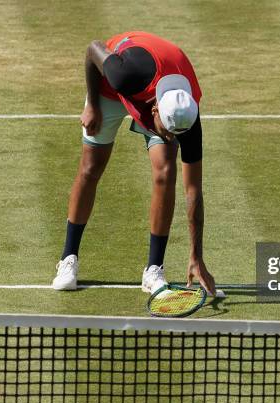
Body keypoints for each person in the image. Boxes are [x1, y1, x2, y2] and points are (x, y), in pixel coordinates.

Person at [52, 31, 216, 296]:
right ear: (154, 111)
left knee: (166, 170)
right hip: (109, 89)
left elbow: (193, 190)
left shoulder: (187, 114)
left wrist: (196, 256)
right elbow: (93, 48)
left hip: (151, 90)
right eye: (168, 131)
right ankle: (68, 258)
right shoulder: (124, 74)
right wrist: (92, 104)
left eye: (177, 134)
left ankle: (153, 270)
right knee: (91, 168)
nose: (172, 138)